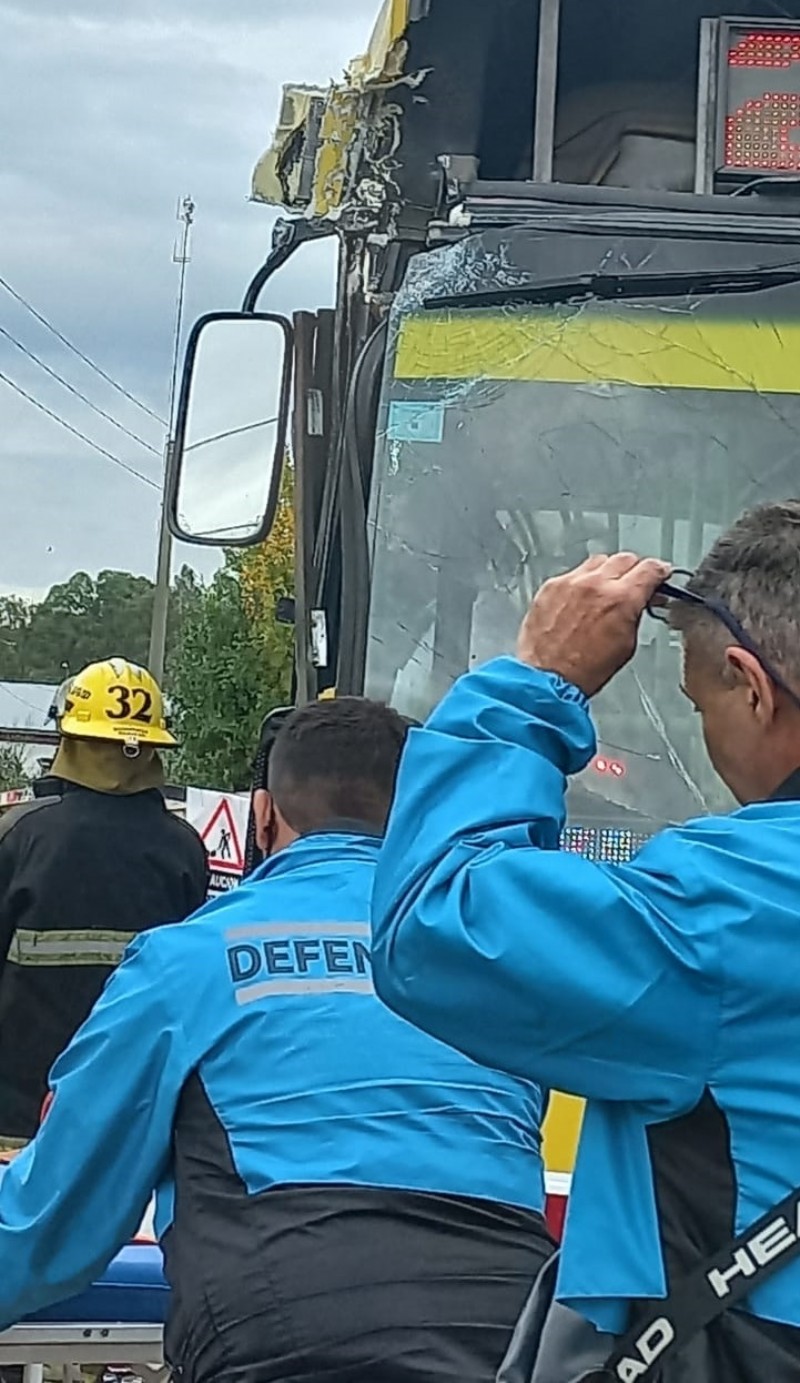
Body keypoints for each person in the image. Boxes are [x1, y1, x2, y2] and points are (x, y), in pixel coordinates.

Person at [0, 696, 553, 1383]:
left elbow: (54, 1216)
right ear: (418, 814)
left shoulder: (188, 959)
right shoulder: (491, 964)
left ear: (262, 814)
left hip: (284, 1330)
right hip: (515, 1334)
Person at [371, 501, 800, 1382]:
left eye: (699, 706)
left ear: (752, 688)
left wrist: (533, 680)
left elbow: (433, 920)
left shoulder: (735, 902)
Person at [0, 657, 208, 1151]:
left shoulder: (20, 836)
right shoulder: (184, 849)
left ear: (69, 740)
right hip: (131, 1120)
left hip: (16, 1116)